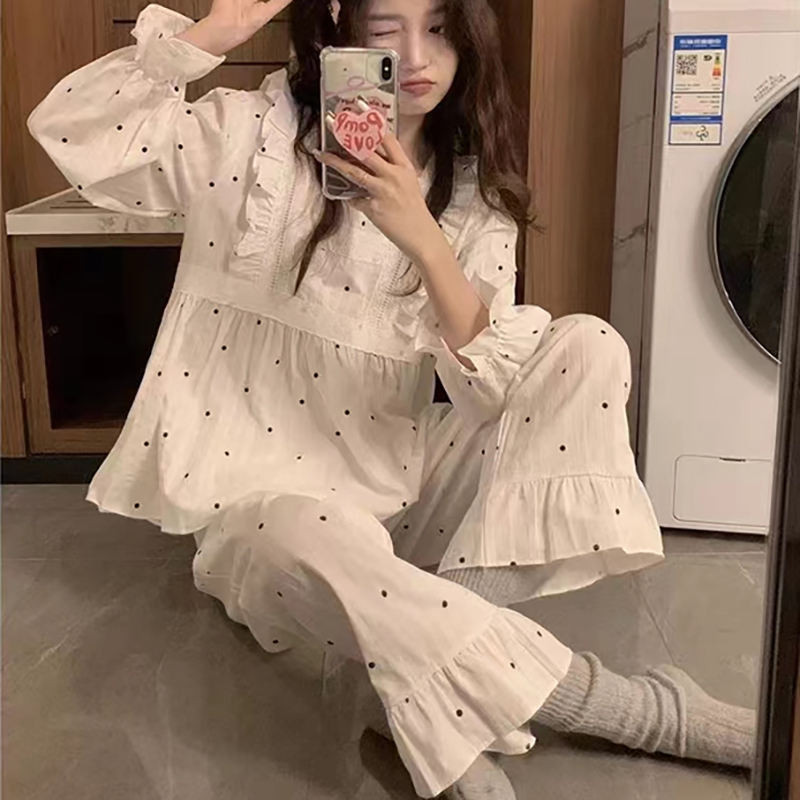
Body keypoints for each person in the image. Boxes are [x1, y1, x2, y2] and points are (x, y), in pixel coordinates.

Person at [26, 0, 757, 797]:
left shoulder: (469, 193)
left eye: (439, 29)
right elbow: (76, 134)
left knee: (588, 347)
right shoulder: (249, 135)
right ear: (342, 27)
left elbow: (491, 390)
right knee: (295, 530)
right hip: (267, 519)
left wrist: (425, 239)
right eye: (385, 30)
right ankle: (634, 709)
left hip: (400, 485)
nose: (416, 56)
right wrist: (215, 35)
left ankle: (416, 672)